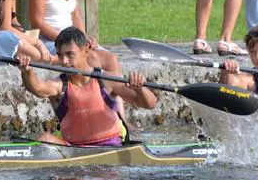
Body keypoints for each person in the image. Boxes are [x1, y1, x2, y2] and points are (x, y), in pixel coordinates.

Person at [18, 26, 158, 146]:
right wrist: (27, 72)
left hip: (109, 146)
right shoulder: (60, 85)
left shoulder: (107, 80)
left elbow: (149, 104)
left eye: (70, 54)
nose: (64, 61)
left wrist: (140, 89)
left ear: (85, 50)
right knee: (45, 139)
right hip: (73, 148)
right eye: (60, 55)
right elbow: (37, 88)